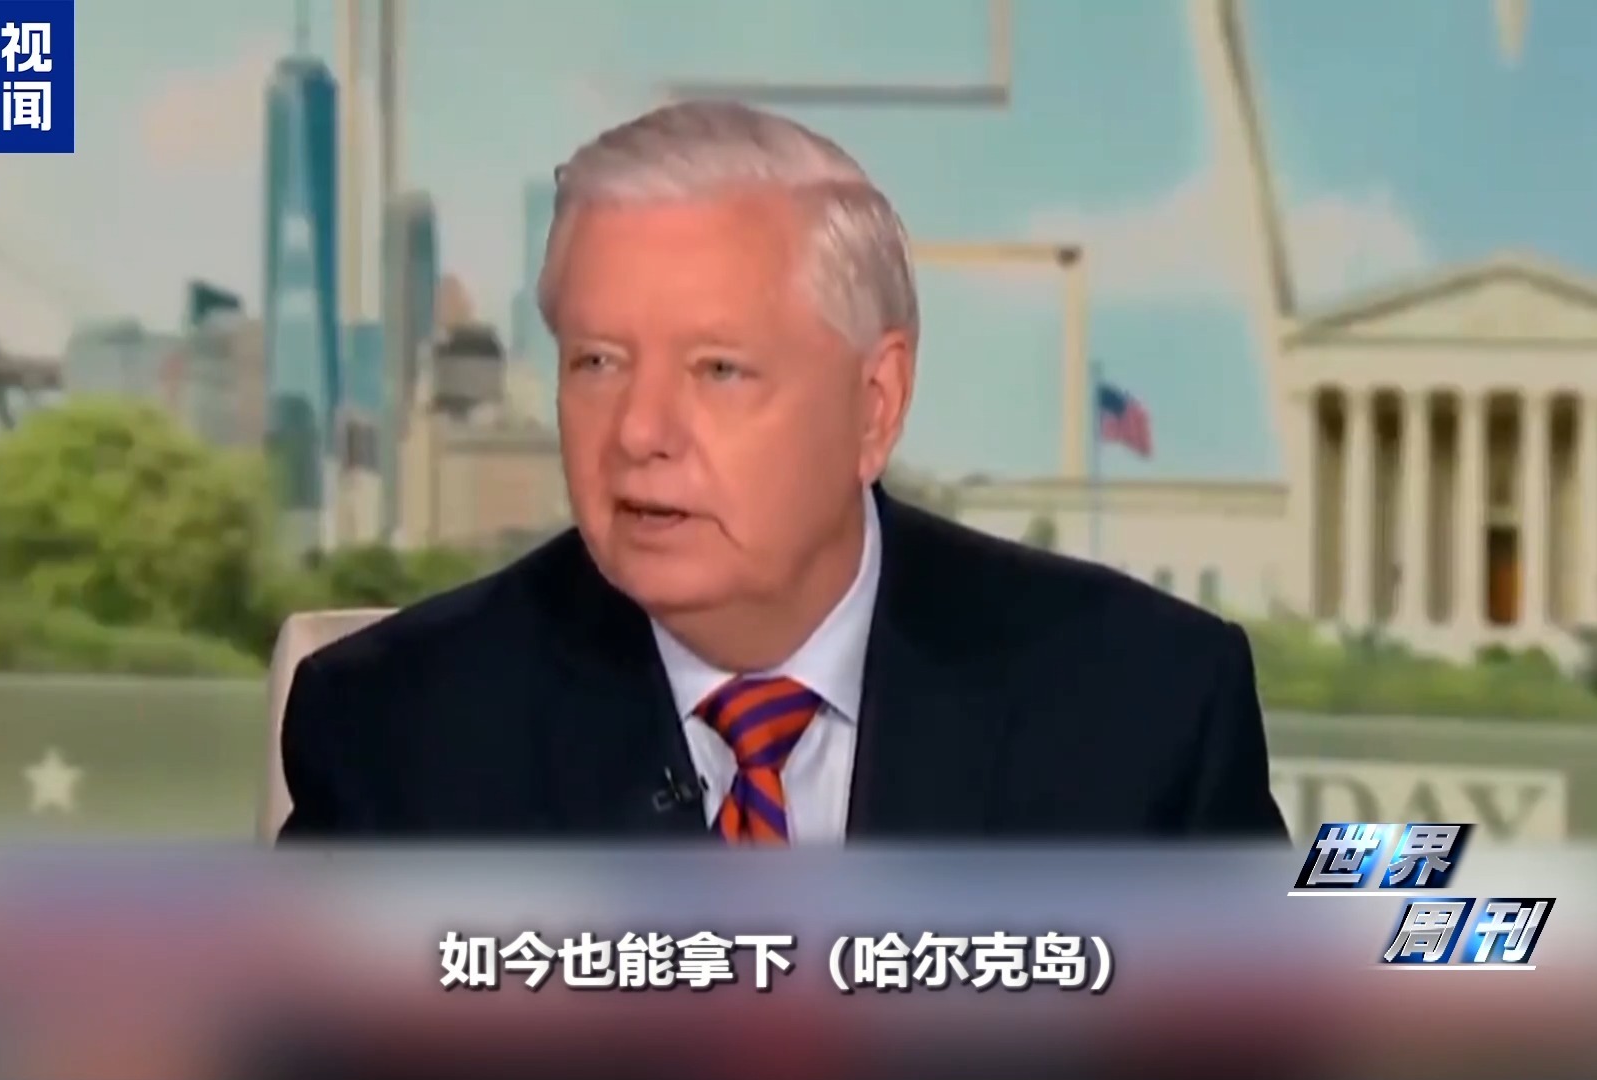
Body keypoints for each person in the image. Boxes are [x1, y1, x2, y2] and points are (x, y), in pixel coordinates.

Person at [277, 100, 1287, 844]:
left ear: (874, 403)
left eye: (718, 370)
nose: (639, 432)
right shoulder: (394, 733)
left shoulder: (1146, 703)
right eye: (597, 363)